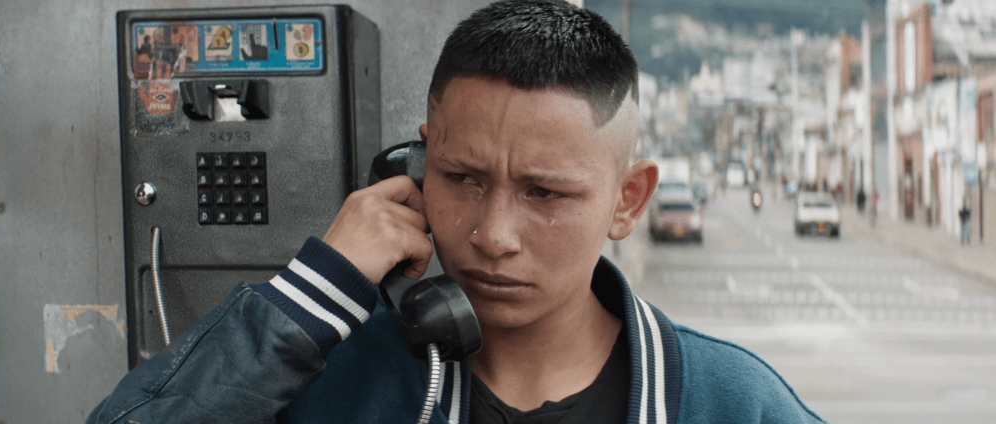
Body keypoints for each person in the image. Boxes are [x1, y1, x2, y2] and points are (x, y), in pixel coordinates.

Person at [87, 1, 826, 423]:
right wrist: (312, 296)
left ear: (627, 200)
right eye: (463, 178)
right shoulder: (328, 381)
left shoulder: (730, 402)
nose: (492, 236)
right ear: (417, 165)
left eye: (545, 193)